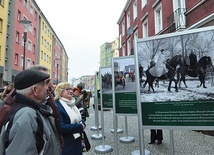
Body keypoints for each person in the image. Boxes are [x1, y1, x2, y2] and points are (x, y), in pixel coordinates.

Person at [0, 69, 61, 155]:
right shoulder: (27, 115)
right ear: (35, 90)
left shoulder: (31, 111)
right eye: (45, 84)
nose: (48, 88)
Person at [28, 65, 64, 148]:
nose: (51, 85)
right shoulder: (23, 112)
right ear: (34, 88)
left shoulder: (49, 100)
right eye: (47, 82)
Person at [54, 82, 85, 155]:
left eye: (71, 89)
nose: (71, 91)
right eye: (67, 89)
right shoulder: (58, 106)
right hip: (67, 144)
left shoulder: (72, 103)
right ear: (60, 91)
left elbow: (80, 117)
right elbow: (61, 127)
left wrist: (83, 123)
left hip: (77, 140)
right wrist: (80, 126)